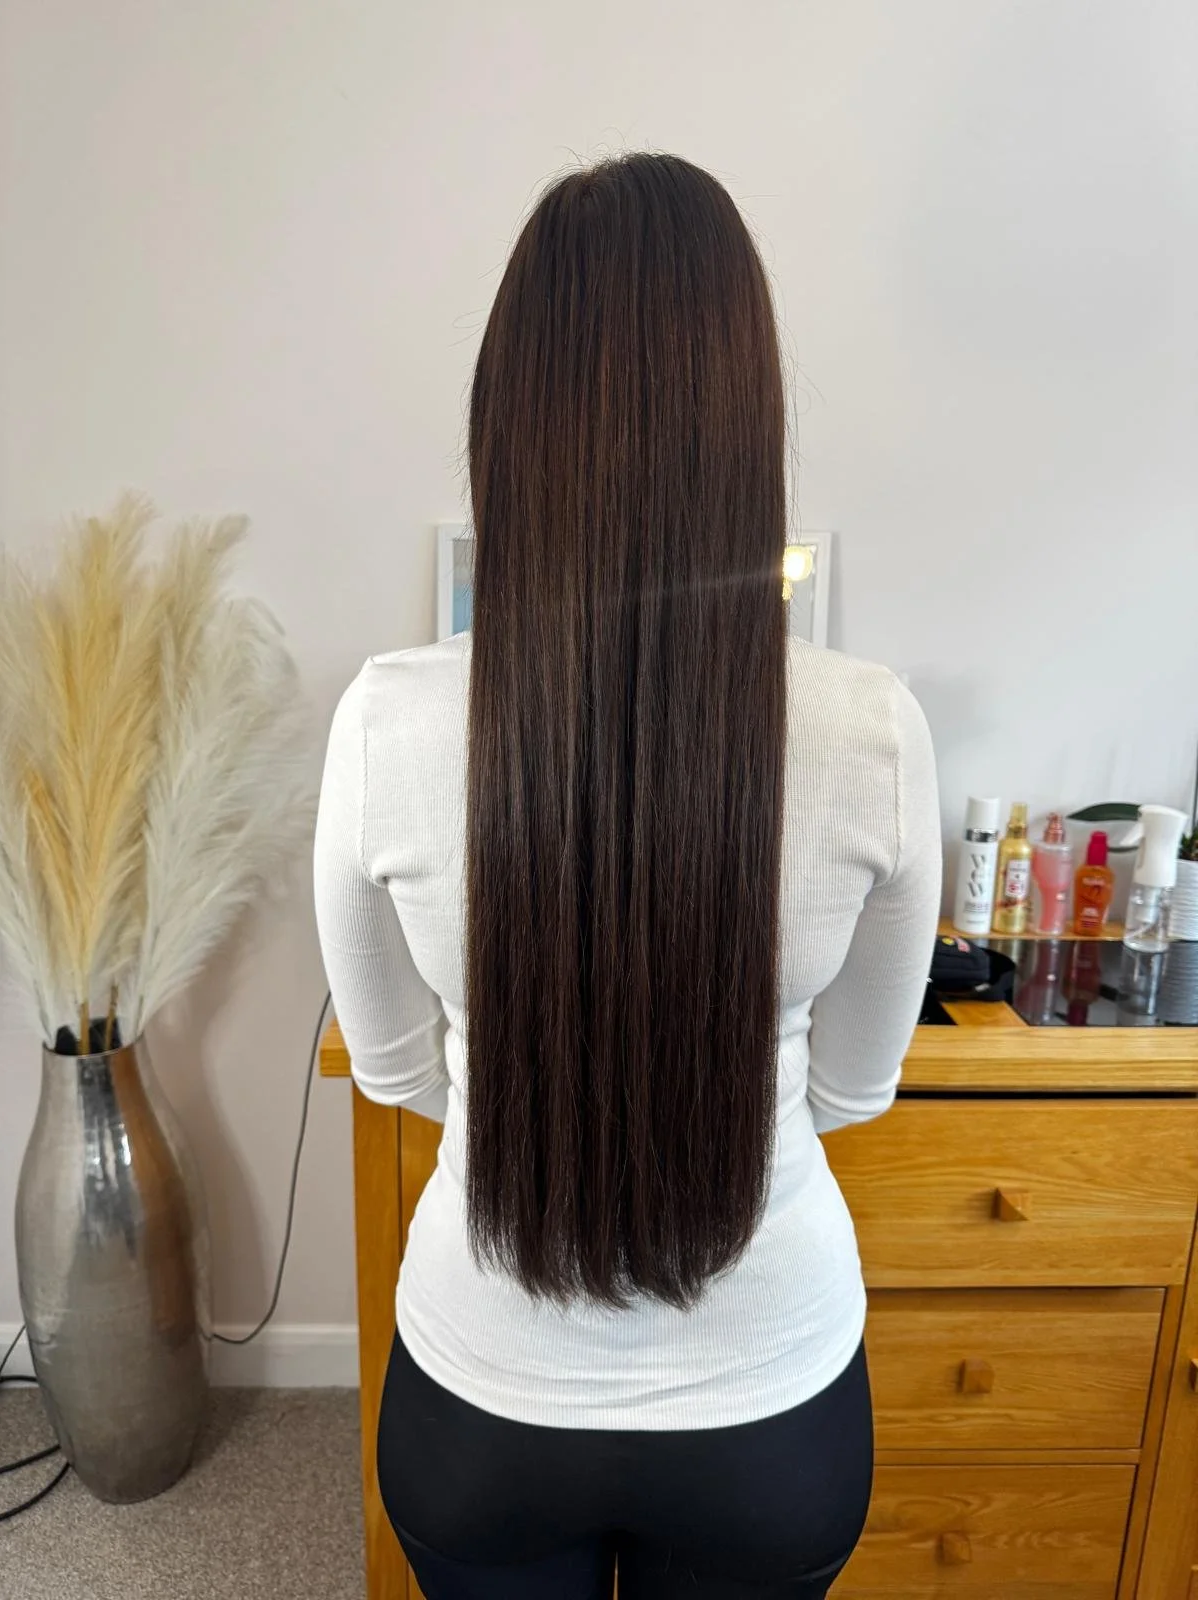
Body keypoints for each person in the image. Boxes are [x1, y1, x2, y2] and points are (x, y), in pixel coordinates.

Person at [313, 151, 941, 1600]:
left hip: (485, 1403)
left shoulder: (386, 722)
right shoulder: (873, 733)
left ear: (507, 421)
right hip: (767, 1413)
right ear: (747, 426)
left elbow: (396, 1070)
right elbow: (852, 1089)